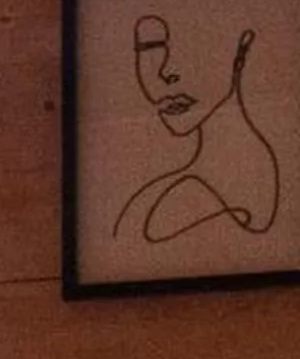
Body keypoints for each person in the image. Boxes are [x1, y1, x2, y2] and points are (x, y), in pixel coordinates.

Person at [112, 13, 279, 247]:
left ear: (239, 50)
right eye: (149, 48)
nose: (163, 74)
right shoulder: (172, 191)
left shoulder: (239, 192)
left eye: (193, 44)